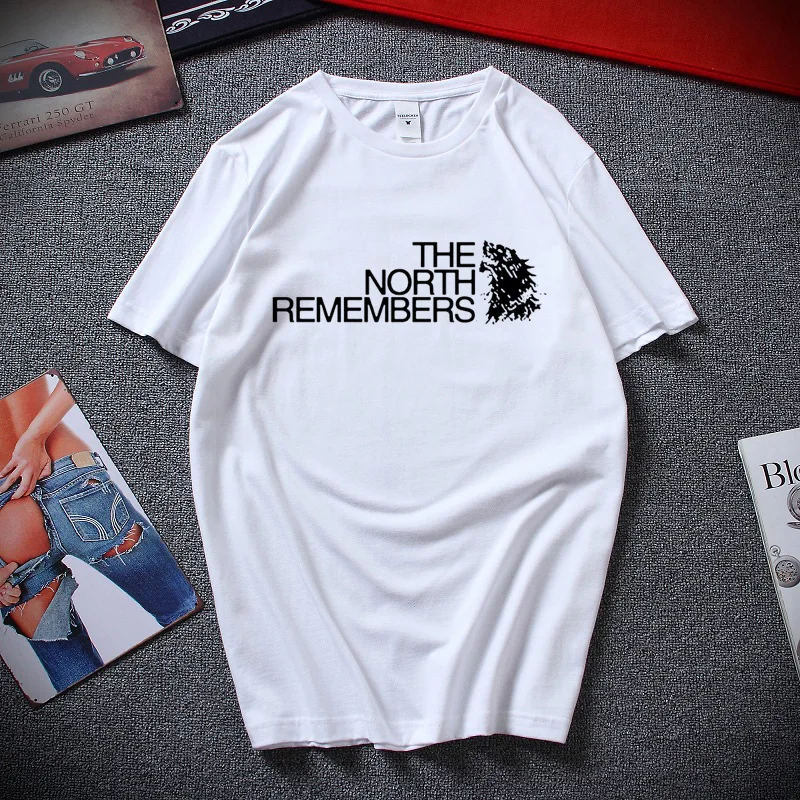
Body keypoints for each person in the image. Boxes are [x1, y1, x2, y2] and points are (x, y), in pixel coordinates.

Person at [0, 374, 198, 694]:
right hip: (70, 477)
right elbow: (78, 372)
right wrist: (35, 437)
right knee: (185, 609)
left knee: (78, 681)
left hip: (7, 530)